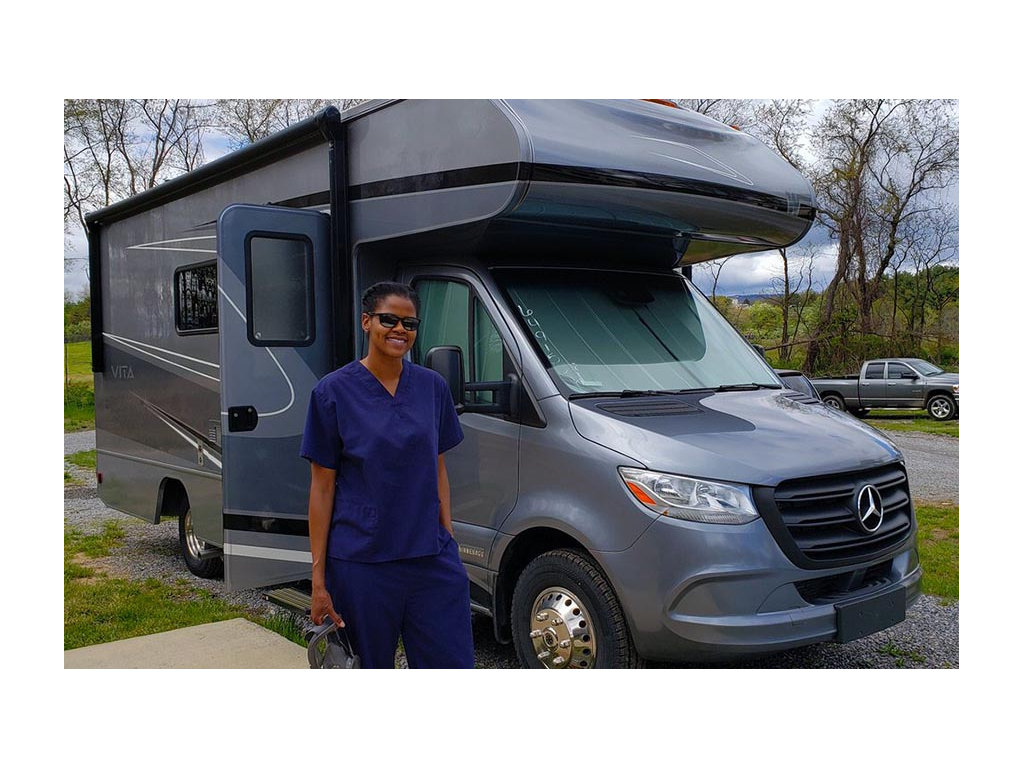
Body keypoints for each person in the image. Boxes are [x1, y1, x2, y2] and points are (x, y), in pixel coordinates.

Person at [299, 281, 474, 669]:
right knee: (366, 668)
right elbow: (322, 488)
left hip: (431, 558)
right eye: (389, 320)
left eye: (409, 323)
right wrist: (319, 578)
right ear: (367, 322)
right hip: (363, 564)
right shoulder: (332, 393)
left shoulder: (432, 388)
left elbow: (438, 467)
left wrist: (448, 539)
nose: (400, 330)